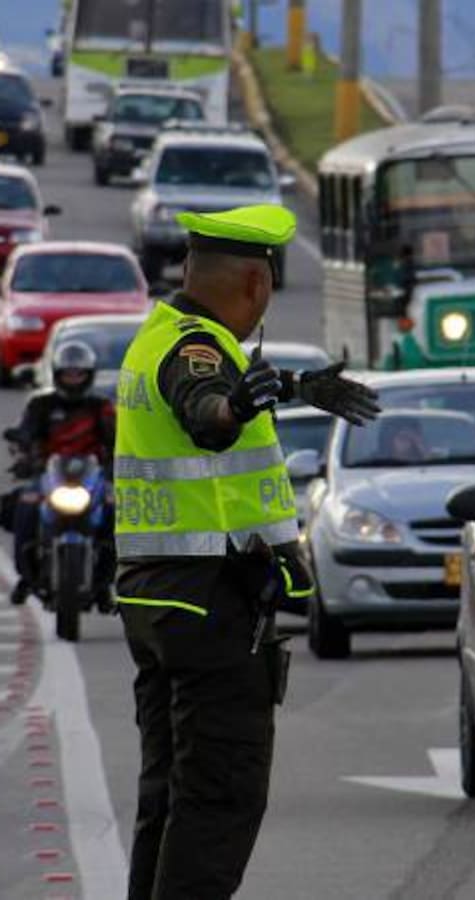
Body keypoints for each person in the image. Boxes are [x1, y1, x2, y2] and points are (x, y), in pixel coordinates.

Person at [113, 204, 380, 900]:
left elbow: (204, 396)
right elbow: (204, 409)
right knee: (220, 797)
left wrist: (291, 387)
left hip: (157, 601)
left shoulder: (158, 335)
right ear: (258, 286)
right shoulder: (198, 351)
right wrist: (231, 409)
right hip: (207, 608)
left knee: (170, 797)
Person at [8, 340, 114, 605]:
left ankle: (105, 582)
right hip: (49, 476)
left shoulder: (100, 407)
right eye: (68, 373)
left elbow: (117, 440)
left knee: (116, 512)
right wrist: (25, 455)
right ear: (57, 375)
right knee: (25, 507)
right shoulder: (41, 405)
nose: (74, 379)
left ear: (89, 376)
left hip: (92, 478)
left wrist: (118, 465)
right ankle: (26, 575)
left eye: (79, 373)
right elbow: (25, 433)